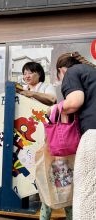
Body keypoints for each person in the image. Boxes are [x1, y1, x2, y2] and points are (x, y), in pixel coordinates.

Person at [17, 62, 72, 220]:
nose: (27, 76)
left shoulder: (45, 87)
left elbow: (53, 99)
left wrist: (31, 94)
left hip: (47, 138)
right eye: (24, 73)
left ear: (39, 74)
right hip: (28, 138)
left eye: (30, 72)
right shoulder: (23, 89)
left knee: (54, 177)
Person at [56, 52, 96, 220]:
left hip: (93, 134)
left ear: (61, 70)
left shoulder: (72, 72)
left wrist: (56, 109)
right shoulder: (91, 72)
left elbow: (74, 102)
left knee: (88, 193)